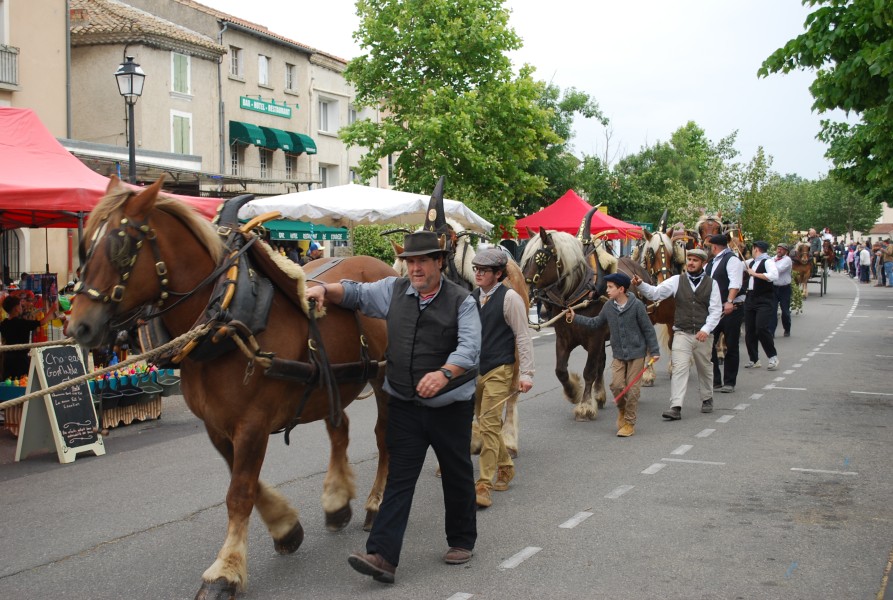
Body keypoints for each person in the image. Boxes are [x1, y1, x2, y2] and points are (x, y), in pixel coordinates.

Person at [304, 230, 481, 584]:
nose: (414, 268)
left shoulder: (462, 301)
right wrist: (326, 289)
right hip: (404, 404)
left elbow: (470, 347)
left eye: (422, 261)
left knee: (457, 473)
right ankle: (382, 556)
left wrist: (445, 373)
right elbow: (356, 293)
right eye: (410, 262)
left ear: (439, 262)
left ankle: (461, 540)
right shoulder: (394, 290)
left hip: (449, 407)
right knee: (399, 479)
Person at [469, 249, 534, 507]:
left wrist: (526, 373)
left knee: (487, 424)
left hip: (500, 369)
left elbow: (523, 336)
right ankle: (505, 464)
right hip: (476, 371)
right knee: (488, 425)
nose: (478, 273)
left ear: (498, 274)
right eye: (476, 269)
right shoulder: (471, 298)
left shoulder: (511, 299)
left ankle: (483, 484)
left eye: (483, 270)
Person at [632, 248, 721, 420]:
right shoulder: (676, 281)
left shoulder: (712, 284)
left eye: (695, 260)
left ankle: (707, 398)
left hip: (703, 335)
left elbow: (716, 310)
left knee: (705, 368)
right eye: (689, 259)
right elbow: (655, 293)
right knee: (680, 368)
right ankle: (676, 406)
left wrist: (706, 329)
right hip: (682, 333)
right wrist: (641, 284)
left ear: (703, 263)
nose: (691, 263)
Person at [568, 272, 660, 436]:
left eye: (610, 287)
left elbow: (648, 329)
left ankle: (629, 423)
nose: (607, 290)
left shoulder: (637, 305)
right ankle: (622, 410)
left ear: (621, 289)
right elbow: (595, 322)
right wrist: (575, 318)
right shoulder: (608, 307)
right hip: (619, 355)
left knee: (632, 391)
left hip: (637, 354)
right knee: (617, 387)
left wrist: (654, 351)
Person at [705, 233, 744, 393]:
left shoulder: (732, 260)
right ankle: (715, 380)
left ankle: (729, 381)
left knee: (731, 345)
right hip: (713, 310)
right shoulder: (711, 262)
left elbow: (735, 282)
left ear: (714, 247)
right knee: (708, 345)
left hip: (730, 309)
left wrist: (729, 301)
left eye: (709, 247)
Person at [1, 295, 60, 379]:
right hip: (21, 361)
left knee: (8, 384)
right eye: (20, 305)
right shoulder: (21, 324)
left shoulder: (4, 324)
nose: (22, 307)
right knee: (22, 383)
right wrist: (52, 310)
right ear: (16, 308)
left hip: (7, 359)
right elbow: (41, 322)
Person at [743, 241, 780, 371]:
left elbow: (774, 276)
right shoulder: (751, 262)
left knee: (761, 328)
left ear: (756, 249)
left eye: (752, 249)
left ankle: (772, 357)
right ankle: (754, 359)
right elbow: (739, 264)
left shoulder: (768, 262)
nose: (751, 251)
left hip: (764, 299)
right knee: (750, 330)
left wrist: (755, 274)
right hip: (750, 298)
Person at [771, 243, 793, 337]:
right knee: (772, 310)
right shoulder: (772, 259)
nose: (779, 250)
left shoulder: (787, 260)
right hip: (774, 287)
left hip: (784, 288)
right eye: (778, 248)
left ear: (786, 251)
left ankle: (787, 329)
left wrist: (770, 267)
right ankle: (771, 332)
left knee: (785, 311)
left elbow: (778, 270)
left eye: (782, 249)